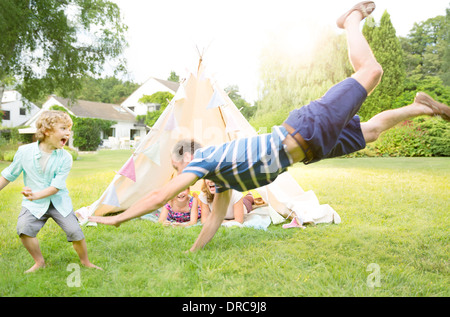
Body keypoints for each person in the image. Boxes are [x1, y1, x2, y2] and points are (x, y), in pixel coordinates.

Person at [89, 1, 449, 252]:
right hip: (312, 147)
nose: (180, 174)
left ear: (188, 159)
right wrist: (193, 254)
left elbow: (158, 196)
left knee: (371, 72)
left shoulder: (203, 160)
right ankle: (419, 107)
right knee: (369, 132)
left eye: (177, 166)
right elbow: (213, 223)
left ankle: (350, 19)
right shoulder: (222, 180)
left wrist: (117, 220)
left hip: (305, 129)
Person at [0, 110, 102, 273]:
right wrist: (33, 198)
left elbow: (56, 187)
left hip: (58, 202)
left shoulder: (65, 157)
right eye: (63, 128)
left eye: (69, 129)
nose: (68, 132)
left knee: (75, 231)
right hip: (33, 204)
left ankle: (86, 262)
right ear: (47, 131)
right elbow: (8, 175)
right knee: (24, 228)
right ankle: (39, 262)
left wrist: (35, 195)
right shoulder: (24, 152)